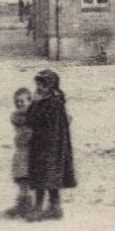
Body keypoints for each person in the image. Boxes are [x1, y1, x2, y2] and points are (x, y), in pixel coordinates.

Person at [25, 69, 76, 221]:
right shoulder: (55, 101)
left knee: (42, 176)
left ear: (51, 86)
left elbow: (33, 119)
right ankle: (54, 207)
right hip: (49, 145)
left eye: (42, 84)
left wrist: (35, 102)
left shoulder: (51, 102)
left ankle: (39, 208)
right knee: (49, 176)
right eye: (38, 84)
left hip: (47, 146)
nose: (39, 87)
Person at [4, 88, 34, 218]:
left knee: (27, 180)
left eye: (22, 101)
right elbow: (16, 119)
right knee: (21, 179)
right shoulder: (17, 116)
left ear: (30, 101)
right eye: (17, 102)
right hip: (20, 151)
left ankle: (27, 206)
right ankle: (22, 205)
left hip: (31, 152)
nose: (19, 104)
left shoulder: (35, 116)